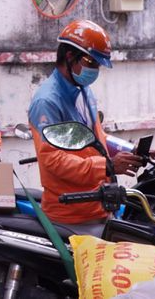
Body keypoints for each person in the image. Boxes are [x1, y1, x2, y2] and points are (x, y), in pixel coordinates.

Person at [27, 19, 145, 236]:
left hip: (98, 205)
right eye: (91, 62)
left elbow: (98, 139)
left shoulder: (84, 91)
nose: (95, 70)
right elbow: (54, 161)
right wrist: (107, 167)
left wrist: (130, 151)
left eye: (98, 65)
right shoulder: (47, 102)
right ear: (70, 56)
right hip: (71, 214)